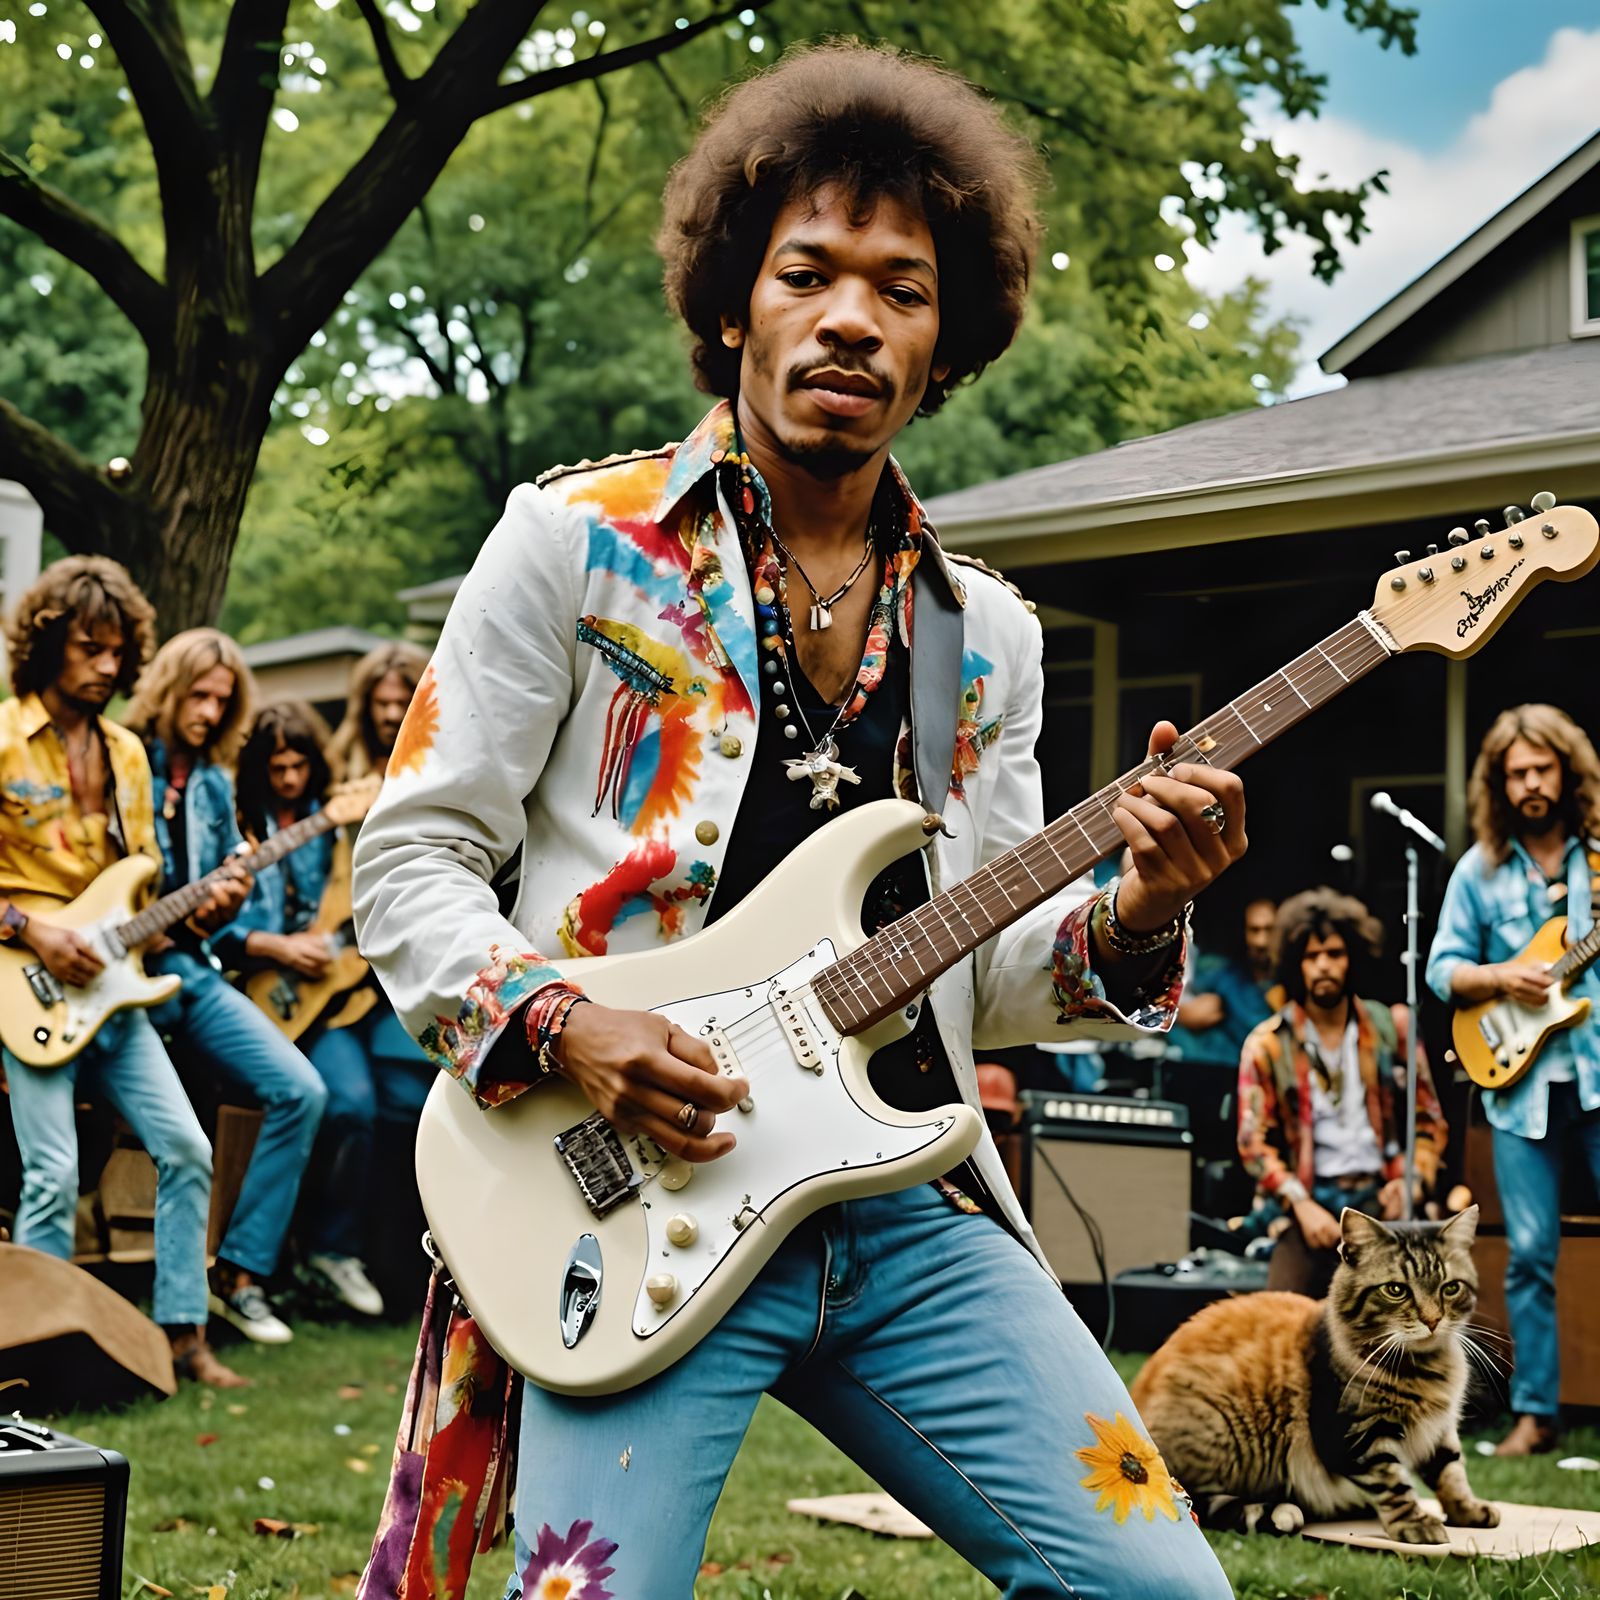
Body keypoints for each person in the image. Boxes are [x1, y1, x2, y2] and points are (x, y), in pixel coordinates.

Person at [353, 44, 1244, 1600]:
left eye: (901, 289)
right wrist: (563, 1025)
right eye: (808, 272)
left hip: (908, 1207)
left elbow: (999, 970)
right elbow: (410, 857)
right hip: (631, 1191)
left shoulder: (994, 638)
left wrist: (1143, 911)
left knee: (1161, 1591)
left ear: (945, 337)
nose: (851, 317)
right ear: (731, 302)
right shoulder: (575, 544)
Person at [0, 558, 243, 1385]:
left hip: (112, 986)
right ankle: (26, 1355)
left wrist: (205, 907)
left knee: (186, 1148)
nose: (107, 665)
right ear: (45, 646)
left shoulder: (129, 754)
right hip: (23, 985)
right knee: (53, 1172)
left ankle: (180, 1336)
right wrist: (28, 928)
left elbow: (142, 878)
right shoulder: (1, 738)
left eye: (116, 651)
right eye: (88, 648)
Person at [123, 631, 328, 1345]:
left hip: (188, 970)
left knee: (301, 1090)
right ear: (169, 687)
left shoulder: (213, 783)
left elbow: (212, 912)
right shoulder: (124, 759)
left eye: (221, 699)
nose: (209, 711)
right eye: (198, 694)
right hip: (116, 973)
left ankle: (241, 1272)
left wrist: (226, 902)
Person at [1427, 704, 1600, 1455]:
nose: (1531, 783)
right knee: (1529, 1252)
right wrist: (1503, 976)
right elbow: (1441, 971)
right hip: (1517, 1086)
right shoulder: (1479, 869)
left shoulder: (1595, 858)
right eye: (1517, 772)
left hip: (1595, 1075)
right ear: (1499, 784)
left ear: (1568, 772)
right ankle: (1536, 1413)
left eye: (1543, 768)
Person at [231, 701, 431, 1316]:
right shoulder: (238, 821)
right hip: (252, 991)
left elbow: (365, 911)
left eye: (298, 765)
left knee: (356, 1105)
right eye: (277, 767)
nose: (289, 779)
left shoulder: (337, 827)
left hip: (330, 1004)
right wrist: (272, 946)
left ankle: (334, 1250)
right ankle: (252, 1268)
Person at [1238, 887, 1446, 1299]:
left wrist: (1411, 1182)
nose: (1323, 966)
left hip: (1382, 1196)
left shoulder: (1393, 1029)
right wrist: (1300, 1203)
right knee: (1285, 1321)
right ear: (1296, 964)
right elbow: (1252, 1143)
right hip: (1310, 1202)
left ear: (1352, 957)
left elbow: (1429, 1121)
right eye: (1312, 957)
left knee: (1416, 1321)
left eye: (1334, 953)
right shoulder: (1268, 1044)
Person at [1167, 895, 1278, 1065]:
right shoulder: (1226, 976)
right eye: (1255, 930)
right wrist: (1182, 1012)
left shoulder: (1293, 980)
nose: (1261, 941)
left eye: (1269, 929)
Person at [326, 642, 429, 783]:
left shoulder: (441, 763)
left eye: (404, 702)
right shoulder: (338, 761)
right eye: (382, 703)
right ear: (366, 704)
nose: (393, 715)